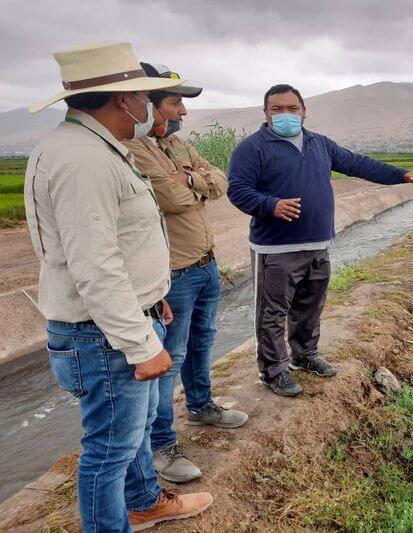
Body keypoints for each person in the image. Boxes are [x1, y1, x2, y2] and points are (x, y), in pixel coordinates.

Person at [25, 42, 211, 532]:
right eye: (143, 96)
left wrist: (153, 298)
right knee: (109, 449)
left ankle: (145, 500)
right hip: (103, 333)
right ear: (120, 100)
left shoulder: (94, 148)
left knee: (129, 437)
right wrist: (137, 341)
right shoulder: (83, 160)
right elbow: (95, 264)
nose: (150, 106)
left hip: (124, 315)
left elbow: (122, 244)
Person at [227, 84, 413, 397]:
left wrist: (401, 175)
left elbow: (358, 164)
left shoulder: (319, 143)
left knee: (309, 307)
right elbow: (238, 190)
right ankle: (273, 371)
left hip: (318, 244)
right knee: (272, 314)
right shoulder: (251, 149)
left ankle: (304, 356)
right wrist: (271, 205)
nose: (285, 114)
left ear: (304, 111)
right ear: (266, 113)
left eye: (292, 108)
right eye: (277, 109)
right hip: (276, 250)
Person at [121, 62, 248, 484]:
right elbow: (174, 199)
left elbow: (221, 181)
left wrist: (190, 176)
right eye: (175, 103)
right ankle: (161, 445)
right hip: (172, 274)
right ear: (148, 106)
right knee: (168, 358)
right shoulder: (134, 150)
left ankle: (201, 405)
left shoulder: (177, 146)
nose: (183, 113)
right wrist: (194, 184)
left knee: (202, 341)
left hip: (206, 264)